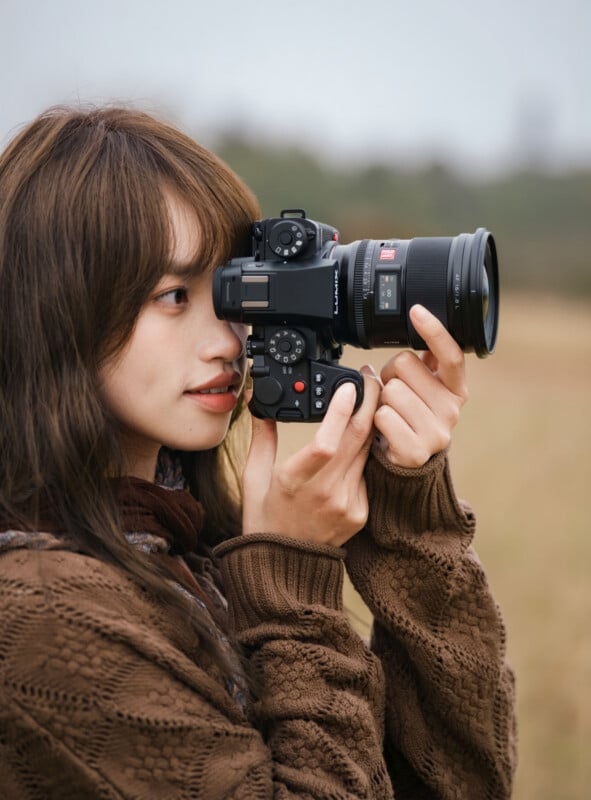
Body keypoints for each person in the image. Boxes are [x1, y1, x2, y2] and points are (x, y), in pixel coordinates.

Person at [0, 106, 517, 799]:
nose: (228, 337)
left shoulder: (185, 545)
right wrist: (287, 587)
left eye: (232, 288)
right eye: (174, 295)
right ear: (58, 313)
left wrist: (407, 509)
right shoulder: (39, 609)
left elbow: (458, 783)